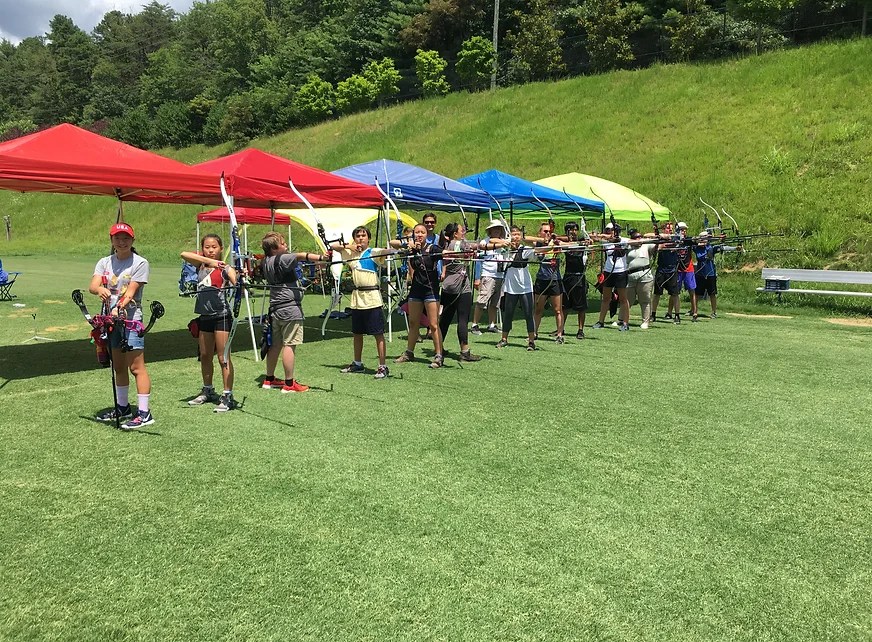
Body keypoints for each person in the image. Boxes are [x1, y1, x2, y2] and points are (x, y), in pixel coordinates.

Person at [90, 222, 154, 429]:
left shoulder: (140, 263)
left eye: (126, 238)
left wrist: (118, 307)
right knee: (118, 366)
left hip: (131, 320)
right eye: (117, 238)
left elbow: (131, 291)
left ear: (132, 240)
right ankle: (123, 407)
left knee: (137, 367)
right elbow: (93, 285)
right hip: (110, 321)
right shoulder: (104, 262)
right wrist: (99, 289)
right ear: (111, 241)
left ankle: (144, 413)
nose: (122, 241)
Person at [260, 232, 327, 392]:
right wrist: (321, 257)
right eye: (283, 244)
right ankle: (289, 384)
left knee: (275, 345)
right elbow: (300, 256)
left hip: (276, 308)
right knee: (289, 345)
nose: (286, 246)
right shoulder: (282, 258)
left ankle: (269, 380)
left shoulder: (266, 261)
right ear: (275, 249)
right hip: (290, 309)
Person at [181, 234, 238, 411]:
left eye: (214, 247)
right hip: (204, 317)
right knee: (205, 355)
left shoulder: (225, 268)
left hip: (221, 316)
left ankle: (227, 395)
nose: (211, 250)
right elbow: (184, 254)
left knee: (223, 357)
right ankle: (208, 390)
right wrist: (209, 261)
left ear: (221, 249)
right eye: (207, 246)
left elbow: (236, 282)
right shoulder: (201, 265)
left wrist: (238, 281)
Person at [330, 226, 396, 379]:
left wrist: (398, 249)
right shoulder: (350, 253)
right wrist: (350, 246)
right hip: (357, 298)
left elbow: (386, 252)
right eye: (358, 236)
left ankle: (382, 366)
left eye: (363, 235)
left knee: (378, 333)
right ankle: (357, 363)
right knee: (357, 333)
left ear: (368, 238)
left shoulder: (372, 252)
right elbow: (333, 247)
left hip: (372, 297)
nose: (360, 238)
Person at [439, 222, 503, 362]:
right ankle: (464, 351)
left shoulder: (449, 244)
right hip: (460, 287)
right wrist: (501, 245)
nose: (464, 232)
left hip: (449, 286)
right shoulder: (458, 244)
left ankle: (439, 350)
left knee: (445, 320)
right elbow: (479, 246)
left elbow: (476, 247)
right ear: (455, 233)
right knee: (462, 319)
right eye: (462, 230)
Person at [392, 223, 445, 368]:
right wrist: (409, 245)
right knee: (413, 323)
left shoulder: (432, 248)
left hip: (430, 291)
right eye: (417, 232)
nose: (419, 235)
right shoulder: (412, 249)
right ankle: (409, 352)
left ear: (426, 234)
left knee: (433, 324)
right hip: (416, 291)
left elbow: (445, 253)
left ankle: (439, 355)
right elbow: (392, 243)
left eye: (422, 232)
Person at [496, 226, 539, 351]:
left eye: (517, 235)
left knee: (528, 313)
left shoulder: (524, 250)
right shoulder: (505, 250)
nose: (515, 237)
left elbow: (536, 251)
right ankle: (504, 339)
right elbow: (502, 262)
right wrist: (507, 247)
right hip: (511, 285)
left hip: (525, 285)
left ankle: (531, 341)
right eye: (513, 234)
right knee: (508, 313)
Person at [531, 222, 566, 344]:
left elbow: (569, 244)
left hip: (555, 280)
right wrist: (545, 241)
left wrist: (556, 241)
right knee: (538, 309)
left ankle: (560, 334)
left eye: (549, 231)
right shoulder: (538, 243)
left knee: (557, 310)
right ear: (540, 233)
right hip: (542, 279)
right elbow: (526, 239)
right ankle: (534, 333)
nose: (548, 233)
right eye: (545, 231)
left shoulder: (556, 243)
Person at [592, 222, 630, 331]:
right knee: (606, 298)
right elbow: (593, 237)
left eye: (612, 230)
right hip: (608, 272)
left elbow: (636, 242)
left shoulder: (623, 240)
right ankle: (601, 321)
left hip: (621, 272)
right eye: (608, 230)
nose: (609, 232)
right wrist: (599, 236)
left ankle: (625, 323)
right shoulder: (606, 240)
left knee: (623, 299)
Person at [471, 219, 507, 335]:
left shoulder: (504, 242)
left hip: (500, 274)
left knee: (495, 302)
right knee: (482, 300)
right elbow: (483, 248)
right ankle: (475, 324)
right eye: (494, 229)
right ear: (490, 231)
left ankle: (492, 324)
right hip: (488, 274)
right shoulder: (485, 241)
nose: (497, 231)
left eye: (499, 229)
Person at [693, 231, 741, 318]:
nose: (706, 240)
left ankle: (714, 312)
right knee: (697, 294)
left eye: (707, 238)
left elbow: (723, 248)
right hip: (700, 274)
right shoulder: (696, 247)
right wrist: (701, 241)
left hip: (711, 274)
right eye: (704, 238)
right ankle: (695, 311)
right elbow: (691, 240)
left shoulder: (712, 247)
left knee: (712, 294)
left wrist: (735, 248)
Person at [560, 222, 591, 339]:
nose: (573, 232)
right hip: (568, 276)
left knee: (581, 306)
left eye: (575, 230)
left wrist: (586, 242)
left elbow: (590, 240)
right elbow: (560, 242)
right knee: (565, 305)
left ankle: (580, 330)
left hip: (579, 277)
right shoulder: (565, 243)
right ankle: (561, 328)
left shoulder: (582, 241)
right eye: (570, 230)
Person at [625, 228, 655, 329]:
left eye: (639, 237)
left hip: (645, 276)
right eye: (635, 238)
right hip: (630, 276)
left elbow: (656, 246)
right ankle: (622, 320)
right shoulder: (628, 246)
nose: (638, 239)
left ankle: (645, 321)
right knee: (627, 300)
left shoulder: (646, 245)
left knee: (645, 300)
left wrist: (657, 238)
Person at [674, 222, 699, 321]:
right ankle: (670, 312)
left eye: (685, 229)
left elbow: (696, 241)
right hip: (678, 269)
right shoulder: (674, 240)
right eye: (681, 229)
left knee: (692, 291)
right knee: (675, 292)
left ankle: (695, 312)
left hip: (689, 269)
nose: (684, 231)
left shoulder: (688, 240)